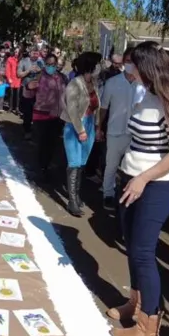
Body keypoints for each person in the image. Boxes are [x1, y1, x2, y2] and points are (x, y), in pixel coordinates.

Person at [107, 41, 169, 336]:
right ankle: (136, 302)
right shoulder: (144, 95)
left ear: (145, 67)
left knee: (144, 252)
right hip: (131, 179)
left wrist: (143, 178)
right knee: (132, 247)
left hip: (155, 186)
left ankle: (148, 325)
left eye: (131, 63)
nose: (125, 68)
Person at [59, 52, 101, 217]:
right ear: (90, 66)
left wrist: (96, 127)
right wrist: (80, 130)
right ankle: (72, 200)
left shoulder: (94, 83)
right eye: (98, 64)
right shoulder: (75, 84)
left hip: (89, 123)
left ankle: (77, 194)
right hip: (75, 125)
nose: (100, 67)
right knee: (74, 162)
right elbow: (72, 110)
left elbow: (96, 106)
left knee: (82, 161)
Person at [99, 47, 136, 211]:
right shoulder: (112, 82)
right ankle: (108, 194)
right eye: (128, 61)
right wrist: (99, 126)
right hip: (114, 131)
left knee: (131, 168)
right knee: (111, 165)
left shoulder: (144, 86)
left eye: (133, 62)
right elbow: (104, 107)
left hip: (135, 134)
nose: (130, 65)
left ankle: (127, 195)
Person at [32, 53, 66, 179]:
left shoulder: (61, 77)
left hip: (57, 116)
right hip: (42, 115)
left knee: (52, 143)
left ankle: (47, 164)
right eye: (48, 64)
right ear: (45, 64)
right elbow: (29, 86)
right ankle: (42, 167)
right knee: (42, 142)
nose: (50, 67)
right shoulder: (40, 76)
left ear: (56, 65)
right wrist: (29, 86)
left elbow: (65, 94)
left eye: (53, 64)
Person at [19, 48, 42, 140]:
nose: (35, 55)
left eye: (37, 54)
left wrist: (40, 71)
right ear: (30, 53)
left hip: (39, 91)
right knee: (27, 112)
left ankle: (35, 130)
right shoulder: (23, 61)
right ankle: (27, 130)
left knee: (37, 112)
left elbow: (46, 75)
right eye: (33, 53)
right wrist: (28, 71)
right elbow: (19, 74)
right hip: (26, 90)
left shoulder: (41, 63)